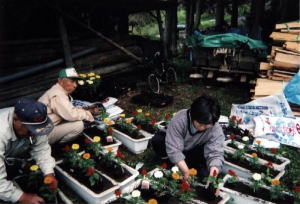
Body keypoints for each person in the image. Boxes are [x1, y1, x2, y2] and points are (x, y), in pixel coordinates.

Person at [152, 95, 225, 179]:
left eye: (207, 125)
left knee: (205, 174)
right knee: (158, 140)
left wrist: (214, 172)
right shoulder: (180, 119)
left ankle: (185, 162)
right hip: (174, 143)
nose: (202, 127)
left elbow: (216, 153)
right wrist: (186, 171)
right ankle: (170, 160)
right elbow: (174, 148)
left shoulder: (215, 129)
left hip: (194, 148)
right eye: (200, 124)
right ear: (192, 115)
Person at [0, 98, 58, 203]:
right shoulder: (1, 132)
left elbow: (41, 149)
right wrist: (23, 197)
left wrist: (49, 173)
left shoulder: (32, 122)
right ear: (15, 120)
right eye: (30, 129)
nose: (33, 133)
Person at [39, 67, 99, 144]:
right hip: (41, 134)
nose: (75, 85)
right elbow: (71, 114)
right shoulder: (57, 95)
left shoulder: (58, 91)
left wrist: (85, 108)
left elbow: (68, 109)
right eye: (72, 81)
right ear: (61, 81)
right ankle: (60, 148)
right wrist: (90, 112)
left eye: (76, 82)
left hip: (45, 128)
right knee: (78, 125)